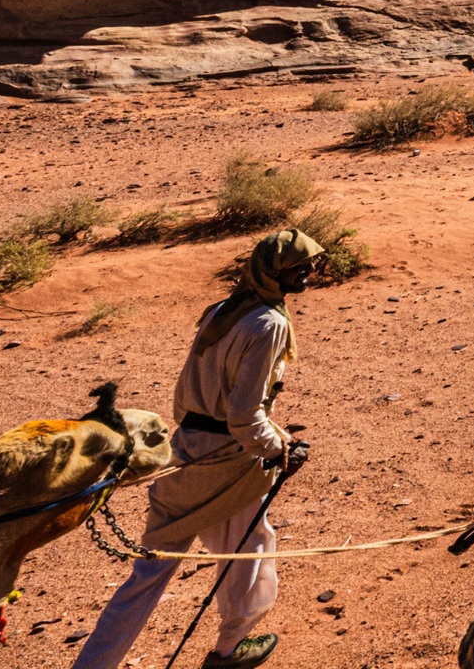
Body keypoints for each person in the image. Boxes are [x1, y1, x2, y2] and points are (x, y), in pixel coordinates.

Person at [71, 229, 319, 669]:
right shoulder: (270, 324)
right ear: (273, 272)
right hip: (230, 459)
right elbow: (243, 414)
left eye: (311, 263)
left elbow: (194, 393)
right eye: (300, 266)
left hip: (183, 449)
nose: (310, 272)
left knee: (149, 573)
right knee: (252, 549)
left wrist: (270, 437)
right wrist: (277, 450)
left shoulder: (224, 309)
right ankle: (228, 650)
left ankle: (93, 664)